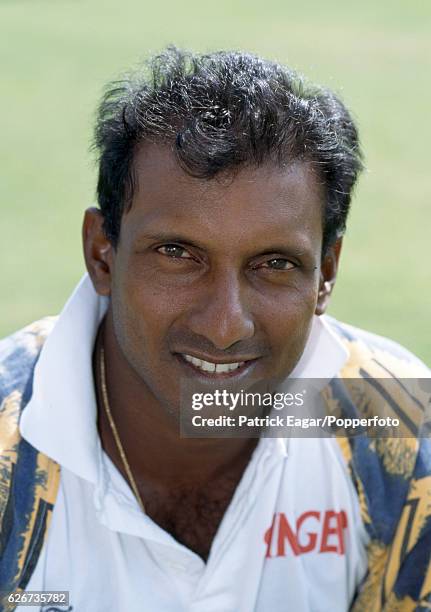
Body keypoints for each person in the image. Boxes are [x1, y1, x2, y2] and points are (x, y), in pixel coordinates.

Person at [0, 47, 430, 612]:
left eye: (274, 264)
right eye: (178, 254)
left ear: (326, 273)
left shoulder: (401, 432)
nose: (226, 325)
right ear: (102, 253)